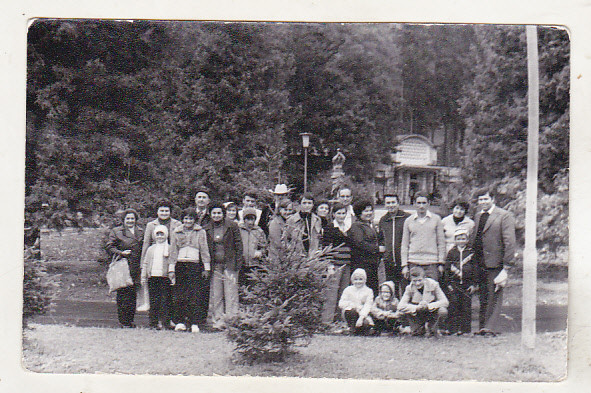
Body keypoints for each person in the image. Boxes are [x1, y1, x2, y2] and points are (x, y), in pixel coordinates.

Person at [471, 187, 516, 335]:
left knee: (494, 295)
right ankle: (483, 328)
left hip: (496, 263)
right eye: (480, 200)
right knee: (483, 296)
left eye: (486, 199)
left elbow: (509, 242)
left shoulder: (504, 215)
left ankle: (491, 328)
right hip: (480, 262)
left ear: (493, 200)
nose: (483, 202)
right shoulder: (478, 216)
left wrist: (506, 266)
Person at [169, 208, 211, 333]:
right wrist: (171, 269)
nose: (188, 221)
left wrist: (206, 267)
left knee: (194, 294)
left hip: (194, 265)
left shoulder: (200, 232)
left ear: (195, 220)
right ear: (182, 219)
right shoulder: (176, 232)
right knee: (179, 294)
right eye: (186, 218)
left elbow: (204, 250)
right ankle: (180, 321)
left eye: (191, 218)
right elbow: (173, 251)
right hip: (180, 265)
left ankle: (194, 322)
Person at [204, 202, 244, 330]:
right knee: (217, 294)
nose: (216, 215)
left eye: (219, 213)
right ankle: (218, 322)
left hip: (230, 264)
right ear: (210, 214)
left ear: (223, 213)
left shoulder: (232, 226)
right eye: (214, 213)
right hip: (215, 265)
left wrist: (238, 263)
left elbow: (238, 245)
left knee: (231, 293)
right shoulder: (206, 228)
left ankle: (232, 321)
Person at [106, 208, 144, 328]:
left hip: (136, 266)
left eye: (132, 218)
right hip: (123, 266)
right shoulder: (117, 231)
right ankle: (123, 321)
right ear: (123, 220)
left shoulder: (141, 231)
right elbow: (109, 247)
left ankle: (130, 320)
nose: (130, 221)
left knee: (133, 294)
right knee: (123, 294)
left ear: (136, 220)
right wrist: (121, 252)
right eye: (128, 218)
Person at [401, 192, 446, 282]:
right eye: (419, 203)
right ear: (414, 204)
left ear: (428, 203)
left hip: (431, 263)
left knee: (431, 291)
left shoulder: (436, 219)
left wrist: (441, 263)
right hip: (414, 262)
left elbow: (441, 243)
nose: (421, 206)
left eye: (424, 203)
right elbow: (405, 244)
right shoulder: (408, 221)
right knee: (415, 292)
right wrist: (405, 265)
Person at [320, 203, 353, 324]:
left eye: (343, 213)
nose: (341, 215)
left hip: (347, 264)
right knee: (331, 294)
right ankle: (327, 321)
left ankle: (339, 320)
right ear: (333, 214)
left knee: (343, 293)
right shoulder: (330, 228)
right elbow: (326, 247)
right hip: (335, 264)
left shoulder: (348, 227)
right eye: (338, 213)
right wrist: (329, 265)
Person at [443, 228, 478, 335]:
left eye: (463, 239)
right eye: (459, 239)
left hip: (467, 284)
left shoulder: (471, 252)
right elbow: (447, 269)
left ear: (467, 240)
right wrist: (448, 283)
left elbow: (475, 269)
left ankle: (465, 330)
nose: (461, 241)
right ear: (455, 240)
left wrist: (473, 284)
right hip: (454, 284)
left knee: (466, 307)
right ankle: (453, 329)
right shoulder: (452, 252)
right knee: (453, 306)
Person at [398, 266, 449, 337]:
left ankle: (434, 328)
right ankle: (415, 328)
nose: (417, 283)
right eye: (414, 281)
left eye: (419, 280)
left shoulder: (434, 284)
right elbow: (400, 306)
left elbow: (445, 301)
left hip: (431, 312)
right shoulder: (409, 288)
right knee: (401, 312)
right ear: (411, 280)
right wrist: (416, 307)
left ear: (425, 278)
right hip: (418, 313)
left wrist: (428, 306)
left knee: (443, 310)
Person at [141, 225, 174, 330]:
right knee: (153, 301)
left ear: (166, 235)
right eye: (158, 234)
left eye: (162, 234)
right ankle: (153, 323)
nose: (160, 237)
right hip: (152, 277)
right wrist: (144, 276)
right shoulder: (151, 249)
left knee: (165, 300)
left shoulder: (169, 248)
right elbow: (146, 263)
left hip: (164, 277)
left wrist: (172, 275)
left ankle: (165, 322)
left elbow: (172, 262)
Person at [378, 194, 410, 298]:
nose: (391, 205)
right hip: (389, 261)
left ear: (398, 203)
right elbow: (381, 239)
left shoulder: (407, 217)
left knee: (407, 288)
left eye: (393, 202)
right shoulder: (383, 220)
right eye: (388, 203)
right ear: (385, 204)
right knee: (391, 289)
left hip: (404, 260)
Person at [348, 199, 380, 294]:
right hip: (362, 264)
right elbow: (360, 243)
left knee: (372, 288)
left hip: (372, 263)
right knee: (363, 289)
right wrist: (377, 249)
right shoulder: (356, 226)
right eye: (366, 211)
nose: (369, 213)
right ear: (359, 212)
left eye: (370, 210)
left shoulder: (370, 224)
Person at [141, 199, 182, 265]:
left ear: (170, 212)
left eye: (166, 211)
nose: (164, 213)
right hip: (156, 257)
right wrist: (143, 264)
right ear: (157, 212)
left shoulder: (177, 224)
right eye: (161, 211)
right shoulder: (151, 225)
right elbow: (146, 244)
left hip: (173, 257)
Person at [338, 268, 375, 335]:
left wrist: (361, 317)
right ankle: (352, 329)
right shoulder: (348, 289)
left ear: (365, 280)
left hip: (362, 314)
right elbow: (341, 303)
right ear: (352, 280)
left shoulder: (369, 291)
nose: (358, 282)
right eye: (356, 279)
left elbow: (368, 305)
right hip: (350, 313)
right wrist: (351, 304)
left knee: (365, 324)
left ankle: (359, 329)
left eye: (360, 279)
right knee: (352, 311)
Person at [238, 207, 267, 288]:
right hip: (241, 264)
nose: (250, 222)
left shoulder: (259, 231)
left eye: (252, 219)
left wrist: (260, 252)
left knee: (253, 285)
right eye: (248, 219)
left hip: (254, 264)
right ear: (244, 219)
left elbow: (264, 246)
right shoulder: (239, 230)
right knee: (241, 285)